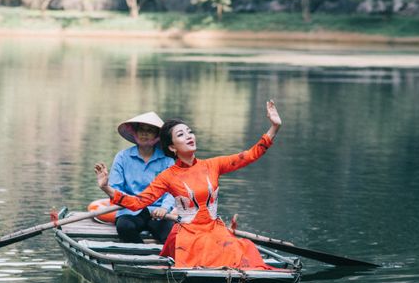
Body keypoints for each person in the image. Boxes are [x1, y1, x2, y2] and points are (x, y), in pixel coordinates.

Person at [94, 100, 282, 270]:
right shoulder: (168, 176)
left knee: (242, 254)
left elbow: (249, 155)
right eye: (181, 135)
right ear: (172, 147)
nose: (189, 136)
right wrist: (106, 187)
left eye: (190, 132)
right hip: (188, 235)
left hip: (214, 232)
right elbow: (136, 203)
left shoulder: (213, 165)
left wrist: (274, 127)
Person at [107, 111, 175, 245]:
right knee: (124, 227)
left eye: (149, 131)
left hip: (157, 212)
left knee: (171, 233)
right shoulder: (122, 157)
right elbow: (115, 188)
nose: (144, 134)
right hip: (129, 211)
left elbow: (172, 190)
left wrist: (164, 208)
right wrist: (132, 203)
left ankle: (165, 260)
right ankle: (142, 257)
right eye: (141, 130)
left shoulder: (167, 161)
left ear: (157, 135)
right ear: (135, 133)